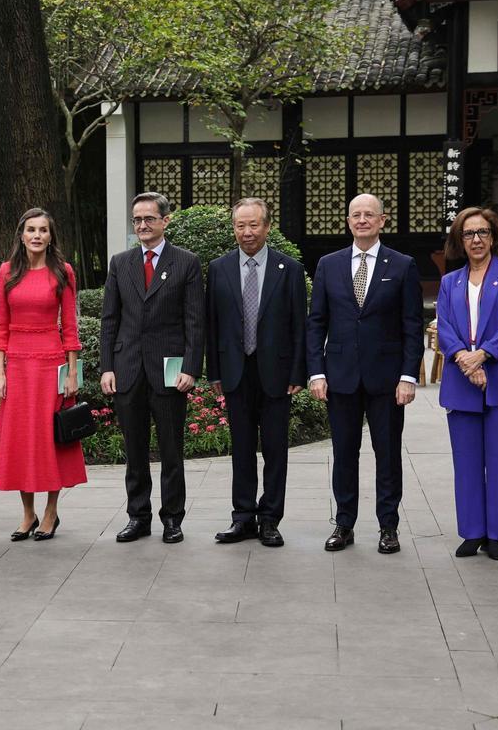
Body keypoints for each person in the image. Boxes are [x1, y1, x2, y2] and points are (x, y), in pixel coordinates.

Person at [307, 193, 423, 554]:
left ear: (382, 220)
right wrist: (316, 373)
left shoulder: (402, 265)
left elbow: (412, 325)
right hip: (340, 376)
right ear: (348, 221)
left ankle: (388, 526)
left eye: (369, 215)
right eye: (355, 215)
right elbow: (316, 323)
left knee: (387, 454)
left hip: (386, 379)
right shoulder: (329, 264)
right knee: (344, 453)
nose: (362, 220)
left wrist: (408, 376)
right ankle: (344, 524)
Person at [101, 192, 205, 544]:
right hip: (128, 368)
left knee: (171, 450)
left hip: (170, 371)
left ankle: (172, 519)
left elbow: (195, 320)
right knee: (134, 451)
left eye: (149, 219)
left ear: (165, 221)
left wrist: (191, 366)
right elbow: (110, 319)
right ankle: (138, 516)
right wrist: (106, 367)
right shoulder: (121, 262)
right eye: (137, 220)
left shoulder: (186, 262)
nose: (142, 225)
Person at [205, 198, 307, 547]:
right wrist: (214, 371)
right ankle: (243, 517)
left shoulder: (288, 269)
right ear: (233, 228)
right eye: (240, 226)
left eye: (253, 225)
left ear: (267, 227)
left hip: (276, 373)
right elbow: (212, 324)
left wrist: (299, 372)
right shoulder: (218, 268)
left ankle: (270, 519)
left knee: (276, 449)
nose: (247, 232)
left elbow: (299, 325)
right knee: (242, 448)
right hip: (235, 371)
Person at [436, 208, 498, 561]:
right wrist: (465, 357)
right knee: (466, 462)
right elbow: (444, 326)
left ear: (494, 237)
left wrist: (484, 356)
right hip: (462, 379)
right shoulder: (451, 282)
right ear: (459, 241)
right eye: (468, 234)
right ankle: (472, 532)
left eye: (482, 233)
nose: (476, 240)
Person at [0, 208, 85, 540]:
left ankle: (50, 512)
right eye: (31, 229)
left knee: (51, 439)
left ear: (50, 236)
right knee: (21, 440)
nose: (37, 235)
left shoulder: (63, 271)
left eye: (43, 230)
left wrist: (73, 373)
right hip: (17, 364)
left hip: (51, 365)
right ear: (21, 234)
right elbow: (0, 326)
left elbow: (71, 328)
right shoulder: (7, 272)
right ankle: (28, 513)